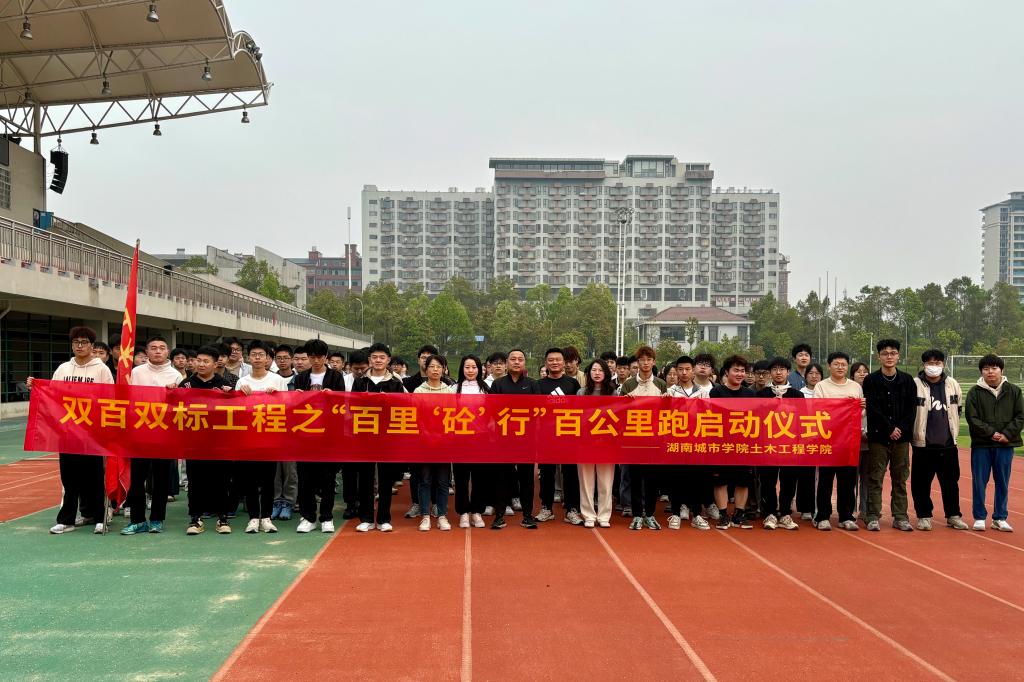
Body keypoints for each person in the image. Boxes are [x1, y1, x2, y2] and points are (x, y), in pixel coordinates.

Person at [27, 327, 114, 535]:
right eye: (76, 342)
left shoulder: (101, 370)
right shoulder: (63, 369)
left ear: (92, 345)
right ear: (72, 345)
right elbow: (52, 394)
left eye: (84, 342)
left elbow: (110, 398)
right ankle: (66, 520)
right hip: (67, 432)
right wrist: (36, 386)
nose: (80, 346)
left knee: (94, 476)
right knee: (69, 478)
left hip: (92, 433)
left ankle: (98, 517)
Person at [121, 335, 183, 535]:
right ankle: (138, 520)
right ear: (146, 352)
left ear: (167, 352)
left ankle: (157, 519)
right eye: (153, 348)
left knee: (161, 479)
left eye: (162, 348)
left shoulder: (176, 376)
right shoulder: (135, 373)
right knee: (137, 479)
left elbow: (182, 407)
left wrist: (174, 394)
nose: (157, 351)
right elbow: (126, 399)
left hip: (164, 435)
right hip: (139, 433)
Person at [350, 342, 407, 533]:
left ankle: (384, 518)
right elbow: (352, 406)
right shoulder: (360, 382)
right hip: (365, 434)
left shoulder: (395, 383)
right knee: (365, 477)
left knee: (385, 478)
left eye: (382, 357)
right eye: (374, 357)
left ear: (388, 360)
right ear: (369, 360)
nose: (378, 360)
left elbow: (401, 408)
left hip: (386, 436)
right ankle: (366, 518)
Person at [178, 345, 234, 535]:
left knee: (221, 481)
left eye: (206, 361)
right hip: (194, 441)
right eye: (198, 360)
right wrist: (171, 391)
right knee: (195, 481)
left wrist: (231, 395)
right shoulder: (186, 384)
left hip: (220, 441)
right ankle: (195, 519)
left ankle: (222, 518)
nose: (201, 364)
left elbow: (236, 410)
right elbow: (173, 408)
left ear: (215, 364)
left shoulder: (224, 385)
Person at [909, 350, 968, 531]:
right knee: (921, 484)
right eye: (930, 363)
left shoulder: (952, 384)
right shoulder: (914, 384)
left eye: (937, 363)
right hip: (923, 444)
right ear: (923, 364)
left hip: (948, 444)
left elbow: (958, 409)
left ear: (943, 364)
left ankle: (953, 515)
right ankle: (924, 516)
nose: (933, 366)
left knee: (951, 483)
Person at [863, 339, 916, 532]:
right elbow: (872, 408)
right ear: (879, 357)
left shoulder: (907, 380)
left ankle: (900, 516)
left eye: (893, 353)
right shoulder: (871, 380)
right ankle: (872, 516)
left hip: (901, 439)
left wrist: (899, 428)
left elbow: (911, 409)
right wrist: (889, 429)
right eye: (885, 353)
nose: (889, 356)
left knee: (900, 478)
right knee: (875, 477)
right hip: (878, 437)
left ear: (898, 356)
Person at [965, 354, 1022, 532]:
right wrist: (992, 433)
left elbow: (1021, 416)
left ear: (1001, 370)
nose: (990, 372)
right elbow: (972, 418)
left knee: (1003, 482)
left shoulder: (1014, 391)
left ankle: (1000, 517)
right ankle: (979, 517)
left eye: (994, 368)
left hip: (1005, 445)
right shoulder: (974, 392)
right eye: (986, 368)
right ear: (981, 372)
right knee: (979, 482)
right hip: (982, 445)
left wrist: (1006, 434)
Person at [235, 340, 288, 534]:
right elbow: (235, 410)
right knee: (249, 480)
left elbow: (287, 406)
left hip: (270, 437)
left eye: (261, 355)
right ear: (248, 357)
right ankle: (252, 518)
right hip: (248, 437)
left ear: (267, 358)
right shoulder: (242, 382)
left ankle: (266, 517)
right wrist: (241, 396)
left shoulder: (278, 380)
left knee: (268, 480)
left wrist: (276, 396)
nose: (257, 358)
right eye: (254, 354)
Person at [293, 339, 344, 533]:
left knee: (327, 478)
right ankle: (308, 517)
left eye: (319, 357)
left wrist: (333, 396)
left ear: (326, 357)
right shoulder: (301, 378)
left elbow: (342, 405)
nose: (316, 360)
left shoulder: (335, 377)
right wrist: (296, 397)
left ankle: (326, 517)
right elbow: (294, 407)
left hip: (327, 435)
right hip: (305, 435)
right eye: (312, 357)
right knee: (305, 478)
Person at [812, 352, 864, 531]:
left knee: (848, 481)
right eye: (836, 364)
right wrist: (841, 404)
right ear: (829, 366)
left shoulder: (855, 387)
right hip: (828, 440)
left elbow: (860, 412)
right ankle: (822, 516)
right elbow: (817, 410)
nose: (840, 367)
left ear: (847, 366)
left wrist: (860, 407)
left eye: (843, 364)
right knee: (825, 480)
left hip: (849, 440)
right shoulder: (821, 386)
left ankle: (846, 516)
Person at [489, 348, 540, 530]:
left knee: (527, 479)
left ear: (524, 363)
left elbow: (538, 411)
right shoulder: (498, 384)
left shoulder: (533, 384)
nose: (517, 362)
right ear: (507, 363)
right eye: (513, 359)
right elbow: (492, 411)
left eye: (520, 359)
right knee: (502, 478)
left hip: (526, 440)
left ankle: (527, 515)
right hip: (504, 439)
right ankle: (499, 516)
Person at [620, 345, 668, 530]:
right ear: (637, 363)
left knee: (652, 479)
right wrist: (625, 401)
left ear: (654, 362)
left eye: (649, 360)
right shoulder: (628, 384)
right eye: (642, 360)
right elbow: (619, 410)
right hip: (634, 438)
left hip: (654, 439)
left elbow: (666, 412)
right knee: (634, 477)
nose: (645, 363)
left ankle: (650, 514)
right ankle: (637, 514)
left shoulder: (661, 384)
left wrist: (667, 402)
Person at [755, 357, 803, 531]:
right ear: (770, 373)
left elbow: (803, 420)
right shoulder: (761, 395)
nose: (778, 372)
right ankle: (770, 513)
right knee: (768, 480)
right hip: (768, 445)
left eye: (782, 369)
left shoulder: (797, 395)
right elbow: (756, 418)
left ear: (788, 372)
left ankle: (785, 513)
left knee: (788, 480)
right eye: (775, 369)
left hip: (789, 445)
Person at [664, 355, 712, 531]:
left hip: (696, 441)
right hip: (676, 442)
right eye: (680, 369)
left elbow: (709, 414)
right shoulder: (670, 392)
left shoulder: (703, 392)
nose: (684, 373)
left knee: (696, 478)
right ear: (676, 371)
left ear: (693, 371)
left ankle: (696, 514)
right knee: (677, 478)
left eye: (687, 369)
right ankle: (676, 513)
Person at [709, 355, 756, 529]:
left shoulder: (750, 394)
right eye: (736, 370)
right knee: (721, 481)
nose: (740, 374)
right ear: (727, 372)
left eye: (743, 371)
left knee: (743, 481)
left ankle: (739, 514)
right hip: (721, 443)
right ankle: (723, 514)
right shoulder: (717, 392)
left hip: (743, 443)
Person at [537, 347, 583, 524]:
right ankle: (546, 508)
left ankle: (571, 509)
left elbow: (580, 409)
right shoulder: (538, 385)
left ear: (564, 363)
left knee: (570, 473)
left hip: (568, 435)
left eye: (558, 359)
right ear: (546, 363)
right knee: (546, 473)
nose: (554, 362)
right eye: (551, 360)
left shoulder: (573, 384)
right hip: (546, 436)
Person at [413, 354, 454, 531]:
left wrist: (442, 435)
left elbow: (453, 416)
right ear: (426, 369)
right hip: (424, 442)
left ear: (444, 369)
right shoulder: (419, 391)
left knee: (443, 481)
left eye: (439, 367)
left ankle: (442, 515)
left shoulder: (449, 391)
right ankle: (425, 516)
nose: (435, 370)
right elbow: (416, 417)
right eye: (432, 366)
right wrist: (427, 434)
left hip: (444, 443)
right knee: (425, 480)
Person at [575, 359, 616, 528]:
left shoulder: (613, 393)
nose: (597, 373)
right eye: (594, 370)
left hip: (606, 442)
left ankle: (604, 515)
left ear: (606, 373)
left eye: (600, 370)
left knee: (606, 481)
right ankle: (588, 515)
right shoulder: (581, 392)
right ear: (589, 373)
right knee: (586, 481)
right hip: (585, 442)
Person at [453, 355, 490, 529]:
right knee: (461, 477)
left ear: (479, 369)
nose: (470, 370)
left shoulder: (486, 389)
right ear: (462, 369)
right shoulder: (454, 388)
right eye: (467, 367)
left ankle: (477, 511)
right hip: (460, 439)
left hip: (481, 439)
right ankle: (463, 512)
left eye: (474, 367)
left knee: (479, 477)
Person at [850, 361, 871, 518]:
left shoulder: (874, 391)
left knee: (867, 479)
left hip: (869, 443)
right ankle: (850, 510)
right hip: (851, 443)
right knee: (851, 479)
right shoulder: (848, 391)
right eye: (858, 371)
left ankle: (865, 510)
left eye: (865, 371)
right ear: (852, 375)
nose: (862, 373)